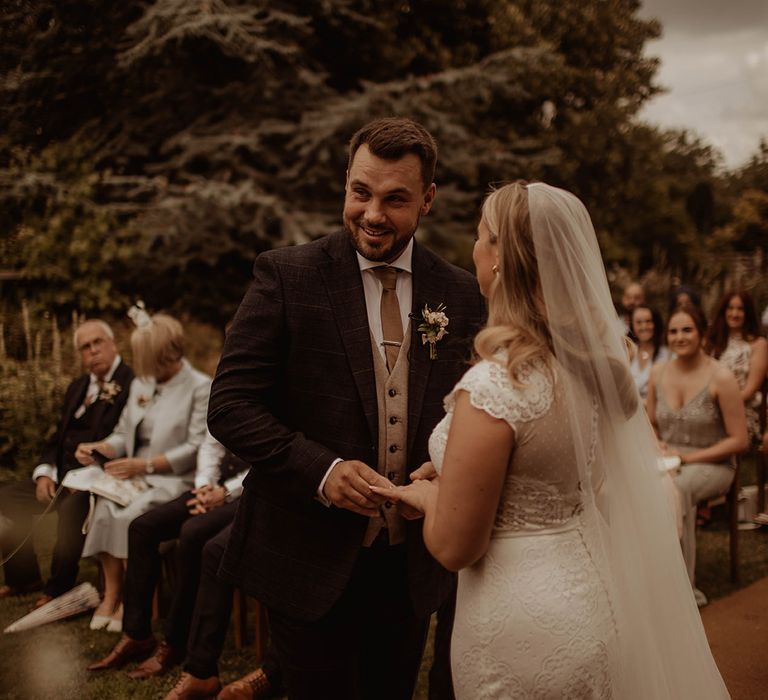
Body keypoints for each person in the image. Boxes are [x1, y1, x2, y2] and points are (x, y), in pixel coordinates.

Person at [372, 182, 731, 698]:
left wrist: (430, 497)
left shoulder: (495, 384)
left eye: (480, 237)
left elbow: (455, 547)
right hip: (589, 598)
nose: (473, 249)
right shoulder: (585, 369)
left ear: (499, 257)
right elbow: (552, 475)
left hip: (518, 621)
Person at [207, 117, 485, 700]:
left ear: (427, 200)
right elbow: (230, 406)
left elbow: (468, 409)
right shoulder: (287, 274)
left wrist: (442, 464)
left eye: (395, 199)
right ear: (346, 183)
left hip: (410, 564)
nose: (373, 214)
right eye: (361, 192)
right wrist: (323, 472)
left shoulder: (458, 292)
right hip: (304, 555)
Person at [75, 312, 211, 632]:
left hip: (174, 480)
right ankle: (112, 594)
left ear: (162, 354)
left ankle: (131, 602)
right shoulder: (142, 383)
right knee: (105, 510)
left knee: (130, 517)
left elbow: (195, 446)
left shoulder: (200, 387)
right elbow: (124, 434)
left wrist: (146, 465)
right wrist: (101, 446)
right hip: (134, 477)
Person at [0, 320, 133, 608]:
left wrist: (83, 480)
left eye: (98, 342)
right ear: (79, 354)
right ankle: (24, 577)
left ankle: (58, 588)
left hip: (99, 480)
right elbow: (56, 439)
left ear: (113, 344)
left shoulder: (131, 383)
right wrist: (44, 474)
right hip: (61, 479)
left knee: (72, 508)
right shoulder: (77, 387)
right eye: (85, 347)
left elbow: (126, 443)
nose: (93, 351)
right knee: (5, 496)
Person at [647, 304, 748, 606]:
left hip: (713, 464)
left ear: (702, 333)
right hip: (665, 460)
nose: (680, 337)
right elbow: (650, 421)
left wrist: (689, 459)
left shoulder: (721, 377)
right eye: (674, 331)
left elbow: (740, 440)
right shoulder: (657, 372)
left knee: (677, 489)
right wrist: (658, 446)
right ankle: (650, 577)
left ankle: (682, 589)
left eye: (687, 330)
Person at [705, 290, 768, 444]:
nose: (735, 313)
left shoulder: (759, 345)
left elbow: (750, 390)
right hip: (707, 405)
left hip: (741, 410)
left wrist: (720, 406)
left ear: (748, 313)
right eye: (730, 308)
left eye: (740, 309)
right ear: (723, 311)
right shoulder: (710, 342)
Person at [628, 304, 670, 400]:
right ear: (633, 326)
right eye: (639, 322)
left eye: (648, 321)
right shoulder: (628, 353)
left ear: (655, 324)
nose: (644, 326)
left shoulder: (667, 355)